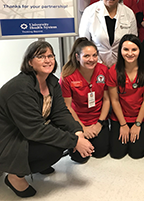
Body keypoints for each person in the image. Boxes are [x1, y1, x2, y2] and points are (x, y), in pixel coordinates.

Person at [0, 41, 94, 198]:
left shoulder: (51, 81)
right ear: (29, 62)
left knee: (64, 136)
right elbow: (35, 129)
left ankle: (36, 165)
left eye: (50, 56)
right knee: (54, 149)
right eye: (41, 56)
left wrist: (78, 132)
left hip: (28, 131)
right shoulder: (20, 89)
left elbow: (60, 112)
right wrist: (75, 141)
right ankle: (14, 176)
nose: (47, 60)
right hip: (9, 139)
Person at [60, 38, 110, 163]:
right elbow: (67, 107)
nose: (91, 59)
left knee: (100, 152)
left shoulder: (103, 70)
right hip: (77, 120)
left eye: (94, 55)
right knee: (80, 158)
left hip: (97, 119)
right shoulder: (67, 76)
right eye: (86, 56)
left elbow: (107, 99)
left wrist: (99, 124)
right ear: (77, 57)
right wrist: (82, 128)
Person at [106, 34, 144, 159]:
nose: (130, 53)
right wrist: (123, 125)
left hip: (140, 117)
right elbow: (114, 100)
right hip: (120, 117)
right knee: (117, 154)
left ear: (140, 51)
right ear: (120, 51)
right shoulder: (113, 71)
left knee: (137, 154)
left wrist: (137, 124)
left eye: (134, 49)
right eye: (126, 49)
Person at [79, 0, 138, 68]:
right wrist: (99, 63)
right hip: (95, 64)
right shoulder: (89, 11)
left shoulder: (128, 13)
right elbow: (84, 42)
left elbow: (133, 41)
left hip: (121, 65)